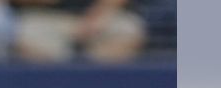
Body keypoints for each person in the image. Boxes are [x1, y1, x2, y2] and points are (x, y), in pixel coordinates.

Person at [11, 0, 145, 63]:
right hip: (45, 16)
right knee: (23, 35)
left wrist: (99, 14)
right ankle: (59, 84)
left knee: (127, 29)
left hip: (95, 15)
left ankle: (93, 83)